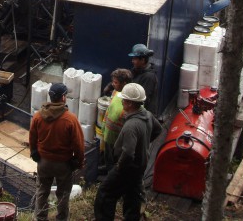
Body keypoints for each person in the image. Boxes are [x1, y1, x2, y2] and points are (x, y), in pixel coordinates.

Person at [94, 83, 162, 221]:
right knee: (133, 196)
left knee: (105, 193)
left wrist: (119, 167)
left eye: (123, 100)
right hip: (139, 166)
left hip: (126, 168)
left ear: (130, 103)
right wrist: (142, 145)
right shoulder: (147, 115)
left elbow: (128, 153)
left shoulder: (131, 125)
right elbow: (158, 129)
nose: (122, 102)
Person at [29, 82, 85, 221]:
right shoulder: (70, 119)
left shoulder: (38, 116)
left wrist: (34, 153)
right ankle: (61, 218)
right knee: (63, 193)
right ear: (63, 98)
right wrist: (78, 161)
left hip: (44, 162)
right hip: (63, 164)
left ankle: (40, 218)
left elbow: (32, 137)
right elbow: (78, 144)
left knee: (42, 191)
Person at [102, 68, 132, 171]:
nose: (113, 84)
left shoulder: (130, 100)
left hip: (118, 139)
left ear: (124, 83)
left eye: (115, 82)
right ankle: (107, 167)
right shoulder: (115, 92)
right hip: (108, 134)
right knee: (108, 156)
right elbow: (109, 110)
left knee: (116, 160)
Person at [129, 44, 158, 115]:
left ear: (142, 60)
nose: (132, 61)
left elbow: (143, 99)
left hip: (144, 114)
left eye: (135, 59)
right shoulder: (136, 70)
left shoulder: (149, 77)